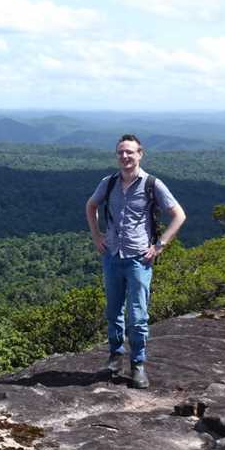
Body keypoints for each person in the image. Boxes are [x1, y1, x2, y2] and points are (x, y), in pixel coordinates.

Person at [85, 134, 186, 389]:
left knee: (138, 315)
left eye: (130, 152)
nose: (125, 157)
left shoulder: (152, 184)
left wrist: (160, 245)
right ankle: (115, 357)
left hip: (139, 258)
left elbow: (178, 215)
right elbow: (91, 206)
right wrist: (97, 236)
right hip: (112, 255)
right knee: (113, 311)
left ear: (140, 153)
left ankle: (138, 364)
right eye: (121, 152)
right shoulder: (108, 183)